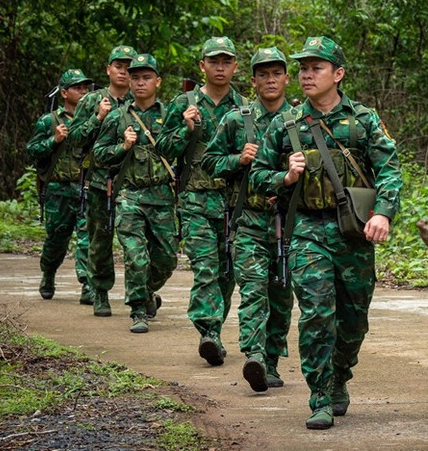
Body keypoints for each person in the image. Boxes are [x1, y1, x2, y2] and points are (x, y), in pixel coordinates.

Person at [249, 36, 402, 430]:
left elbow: (390, 171)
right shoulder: (286, 124)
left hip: (354, 231)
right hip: (307, 231)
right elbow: (257, 176)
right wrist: (286, 177)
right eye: (303, 68)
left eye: (316, 68)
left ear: (338, 74)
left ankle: (339, 378)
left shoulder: (363, 120)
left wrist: (384, 214)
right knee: (317, 314)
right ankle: (319, 396)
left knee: (354, 321)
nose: (306, 74)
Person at [201, 47, 294, 391]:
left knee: (281, 295)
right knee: (253, 291)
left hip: (288, 224)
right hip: (250, 220)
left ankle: (272, 361)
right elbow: (209, 161)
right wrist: (237, 160)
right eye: (263, 75)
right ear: (253, 81)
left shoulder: (300, 120)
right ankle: (254, 356)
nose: (270, 80)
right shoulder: (236, 119)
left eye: (276, 73)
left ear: (286, 78)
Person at [155, 37, 247, 361]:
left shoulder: (244, 107)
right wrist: (186, 128)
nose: (220, 67)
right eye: (214, 61)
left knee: (227, 273)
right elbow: (162, 148)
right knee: (205, 268)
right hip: (195, 200)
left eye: (226, 61)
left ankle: (215, 333)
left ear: (235, 66)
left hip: (233, 203)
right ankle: (208, 331)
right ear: (202, 65)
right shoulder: (184, 102)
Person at [93, 54, 178, 333]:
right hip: (129, 196)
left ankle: (146, 291)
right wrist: (123, 147)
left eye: (146, 77)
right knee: (135, 256)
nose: (141, 83)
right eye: (136, 77)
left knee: (167, 258)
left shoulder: (170, 115)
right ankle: (138, 310)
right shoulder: (118, 117)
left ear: (158, 81)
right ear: (129, 82)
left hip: (161, 196)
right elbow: (99, 155)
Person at [68, 45, 136, 317]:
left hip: (134, 183)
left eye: (129, 67)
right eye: (118, 66)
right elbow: (74, 140)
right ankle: (100, 291)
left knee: (137, 243)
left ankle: (141, 294)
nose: (124, 72)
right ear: (108, 69)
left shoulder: (141, 100)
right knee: (100, 240)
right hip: (100, 182)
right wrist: (98, 118)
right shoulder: (92, 100)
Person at [26, 69, 93, 302]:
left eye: (85, 88)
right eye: (77, 88)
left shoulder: (94, 119)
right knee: (56, 239)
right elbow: (31, 151)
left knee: (87, 237)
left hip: (85, 187)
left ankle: (87, 283)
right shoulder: (49, 120)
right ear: (64, 93)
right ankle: (48, 272)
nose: (83, 92)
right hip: (58, 189)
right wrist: (53, 140)